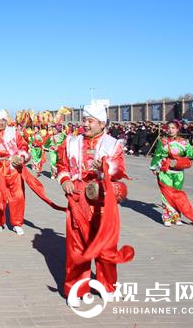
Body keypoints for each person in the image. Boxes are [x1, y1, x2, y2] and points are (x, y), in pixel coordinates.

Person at [56, 101, 133, 308]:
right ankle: (77, 290)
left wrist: (105, 166)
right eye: (85, 120)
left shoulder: (113, 144)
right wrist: (65, 180)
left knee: (105, 246)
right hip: (77, 199)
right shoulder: (71, 141)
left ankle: (107, 286)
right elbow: (61, 165)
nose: (86, 125)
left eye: (90, 121)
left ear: (101, 123)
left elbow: (119, 170)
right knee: (77, 247)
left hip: (101, 200)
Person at [0, 110, 29, 235]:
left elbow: (24, 146)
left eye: (2, 121)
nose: (0, 123)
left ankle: (17, 223)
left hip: (13, 167)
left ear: (6, 121)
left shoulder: (14, 133)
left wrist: (21, 157)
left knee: (18, 196)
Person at [149, 120, 193, 226]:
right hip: (165, 170)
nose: (170, 130)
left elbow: (191, 153)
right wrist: (153, 167)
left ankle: (176, 217)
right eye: (169, 128)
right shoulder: (163, 141)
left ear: (177, 129)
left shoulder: (184, 142)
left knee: (177, 194)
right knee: (166, 194)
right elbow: (157, 154)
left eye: (173, 128)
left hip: (178, 172)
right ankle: (167, 217)